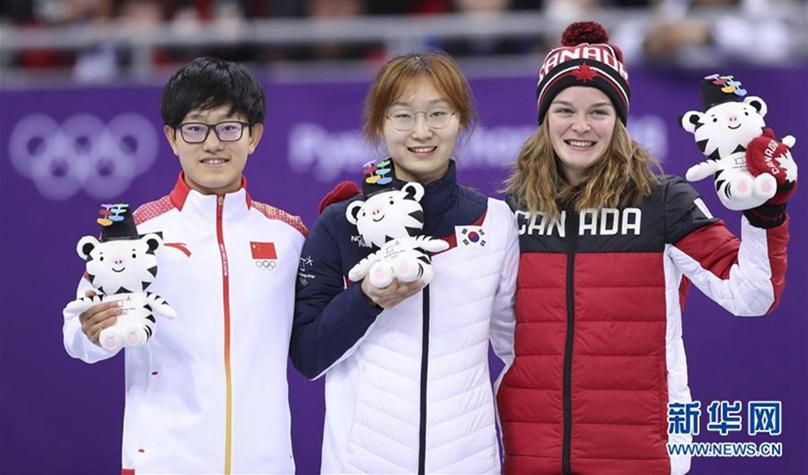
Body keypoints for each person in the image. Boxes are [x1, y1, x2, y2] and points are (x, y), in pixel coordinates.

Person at [497, 22, 795, 475]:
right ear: (544, 117)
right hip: (530, 457)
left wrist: (765, 213)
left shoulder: (663, 202)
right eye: (564, 110)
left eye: (599, 111)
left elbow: (752, 295)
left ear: (619, 119)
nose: (581, 126)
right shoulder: (510, 213)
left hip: (643, 458)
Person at [62, 57, 307, 474]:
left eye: (230, 128)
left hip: (265, 462)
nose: (213, 144)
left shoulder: (289, 236)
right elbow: (76, 333)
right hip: (164, 460)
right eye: (196, 129)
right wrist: (91, 331)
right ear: (173, 138)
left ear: (254, 136)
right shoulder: (132, 235)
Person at [290, 51, 519, 474]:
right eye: (403, 116)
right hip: (361, 464)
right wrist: (366, 298)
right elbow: (308, 356)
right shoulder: (341, 223)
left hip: (467, 461)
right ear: (379, 125)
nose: (421, 132)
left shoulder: (496, 222)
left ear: (461, 121)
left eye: (438, 113)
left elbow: (516, 350)